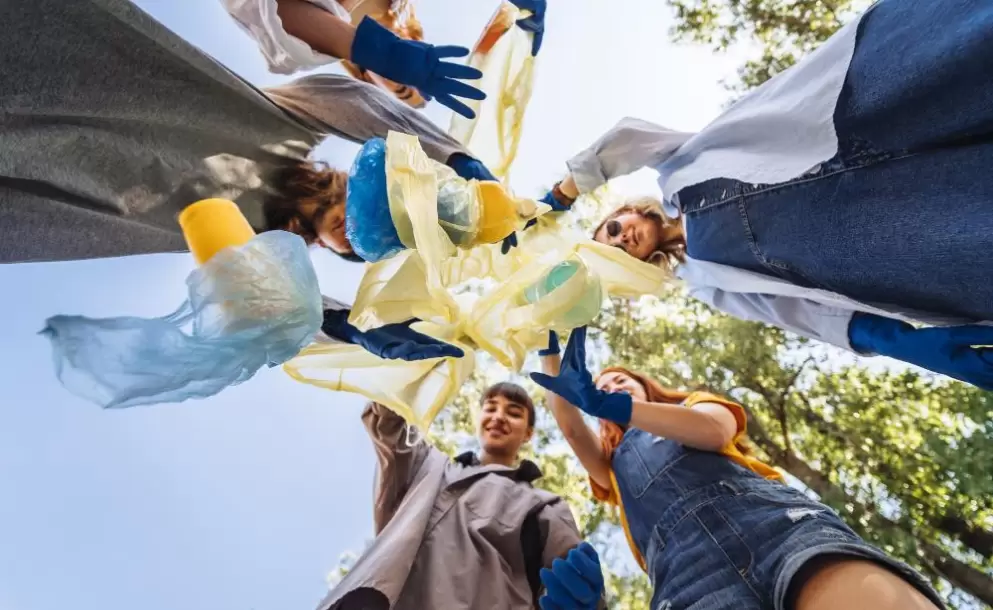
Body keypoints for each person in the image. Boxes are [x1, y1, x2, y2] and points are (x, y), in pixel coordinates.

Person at [524, 0, 993, 390]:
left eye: (612, 229)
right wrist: (899, 342)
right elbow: (802, 312)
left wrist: (562, 194)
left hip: (853, 106)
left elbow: (626, 140)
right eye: (619, 251)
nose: (622, 238)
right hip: (892, 236)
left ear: (625, 210)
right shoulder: (707, 282)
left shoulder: (677, 166)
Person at [0, 0, 490, 361]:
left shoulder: (253, 243)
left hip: (43, 179)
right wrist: (456, 158)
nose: (351, 239)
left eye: (358, 250)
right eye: (381, 220)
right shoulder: (293, 128)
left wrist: (349, 325)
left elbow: (277, 305)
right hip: (73, 70)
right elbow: (356, 102)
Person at [529, 327, 945, 610]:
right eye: (600, 389)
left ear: (645, 386)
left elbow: (711, 431)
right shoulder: (609, 467)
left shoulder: (690, 405)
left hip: (776, 524)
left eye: (621, 382)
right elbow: (568, 423)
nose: (610, 389)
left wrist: (616, 405)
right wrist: (549, 348)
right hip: (682, 574)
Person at [322, 381, 605, 609]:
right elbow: (388, 424)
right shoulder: (426, 468)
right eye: (490, 408)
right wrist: (405, 370)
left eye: (514, 412)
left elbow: (571, 581)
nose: (499, 417)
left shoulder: (543, 505)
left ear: (528, 433)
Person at [222, 0, 546, 118]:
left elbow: (265, 10)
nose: (407, 79)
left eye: (402, 90)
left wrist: (381, 51)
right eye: (412, 85)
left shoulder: (304, 45)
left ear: (368, 77)